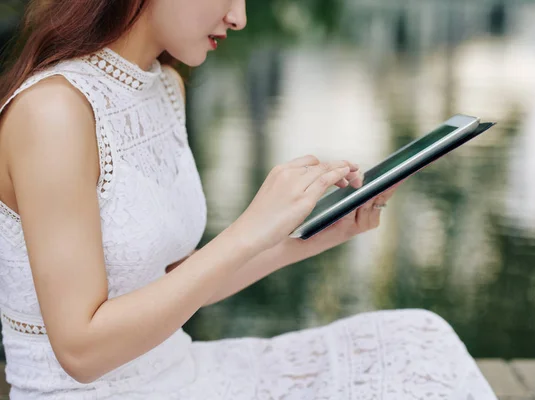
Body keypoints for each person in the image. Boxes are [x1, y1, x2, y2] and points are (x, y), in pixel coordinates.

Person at [0, 1, 498, 399]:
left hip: (180, 370)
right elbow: (81, 352)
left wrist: (315, 234)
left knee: (418, 339)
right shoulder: (53, 111)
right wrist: (246, 231)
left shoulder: (164, 84)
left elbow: (177, 283)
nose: (238, 16)